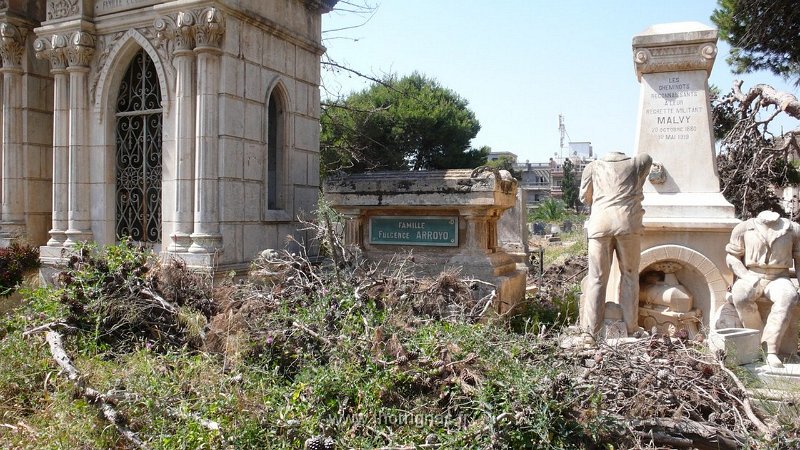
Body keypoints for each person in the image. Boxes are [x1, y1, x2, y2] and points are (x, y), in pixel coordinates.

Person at [579, 151, 652, 338]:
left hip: (600, 224)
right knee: (629, 275)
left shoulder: (592, 167)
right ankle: (630, 328)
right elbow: (647, 161)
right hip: (628, 223)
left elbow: (584, 198)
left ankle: (591, 333)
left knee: (596, 278)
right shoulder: (638, 163)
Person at [726, 210, 800, 368]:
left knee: (788, 296)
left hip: (779, 277)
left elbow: (799, 260)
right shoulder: (743, 228)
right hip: (752, 275)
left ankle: (770, 350)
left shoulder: (793, 229)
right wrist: (745, 275)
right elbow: (732, 257)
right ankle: (757, 343)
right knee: (740, 295)